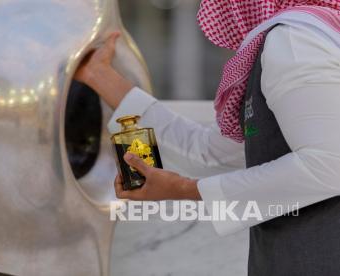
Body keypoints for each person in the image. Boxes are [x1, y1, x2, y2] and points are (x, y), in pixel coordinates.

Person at [75, 1, 340, 275]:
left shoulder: (297, 41)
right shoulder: (308, 37)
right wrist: (99, 75)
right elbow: (210, 153)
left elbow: (331, 164)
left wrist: (182, 189)